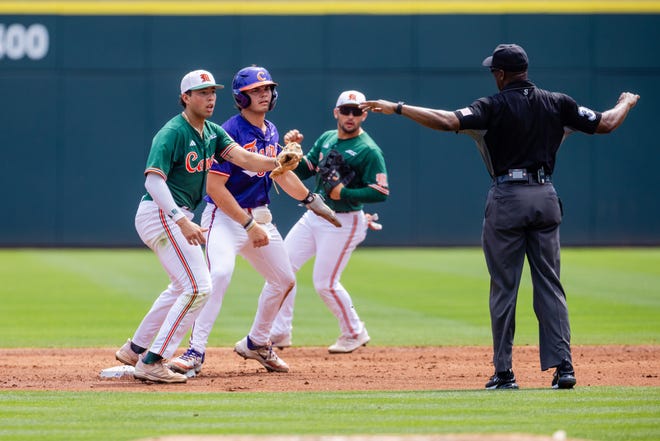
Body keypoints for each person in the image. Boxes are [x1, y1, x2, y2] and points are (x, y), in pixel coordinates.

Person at [361, 43, 640, 389]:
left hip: (507, 197)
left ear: (501, 74)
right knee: (550, 285)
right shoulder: (558, 102)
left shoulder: (491, 106)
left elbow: (448, 120)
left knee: (504, 288)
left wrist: (399, 107)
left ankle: (505, 372)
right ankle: (564, 368)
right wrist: (625, 101)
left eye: (494, 70)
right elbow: (606, 123)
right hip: (545, 196)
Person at [114, 69, 300, 383]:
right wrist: (181, 219)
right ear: (185, 97)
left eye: (212, 92)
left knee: (181, 286)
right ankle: (153, 360)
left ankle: (135, 349)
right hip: (161, 212)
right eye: (201, 92)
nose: (209, 97)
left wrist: (278, 162)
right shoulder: (173, 131)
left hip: (172, 214)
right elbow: (153, 181)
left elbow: (244, 158)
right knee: (199, 287)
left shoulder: (212, 131)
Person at [167, 66, 339, 376]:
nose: (264, 94)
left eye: (267, 89)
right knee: (218, 275)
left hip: (259, 217)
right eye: (255, 91)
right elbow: (214, 188)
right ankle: (194, 351)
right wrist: (248, 226)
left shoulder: (270, 130)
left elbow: (280, 174)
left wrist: (311, 201)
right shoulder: (229, 131)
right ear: (240, 97)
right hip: (225, 218)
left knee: (284, 280)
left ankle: (257, 342)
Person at [267, 90, 390, 353]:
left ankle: (355, 331)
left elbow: (381, 192)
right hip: (315, 215)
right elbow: (307, 168)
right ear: (336, 112)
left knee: (325, 283)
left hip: (344, 221)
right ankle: (279, 332)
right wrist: (292, 152)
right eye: (345, 110)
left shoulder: (368, 150)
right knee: (282, 270)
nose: (350, 116)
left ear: (364, 115)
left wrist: (343, 193)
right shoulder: (326, 139)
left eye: (356, 111)